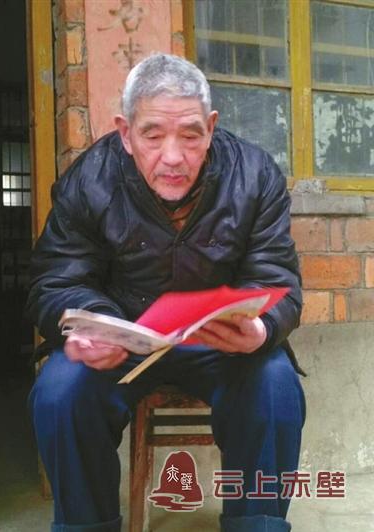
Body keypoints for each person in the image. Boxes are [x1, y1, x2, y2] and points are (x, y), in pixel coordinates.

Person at [27, 53, 305, 532]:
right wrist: (93, 323)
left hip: (218, 344)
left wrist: (261, 328)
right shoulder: (89, 180)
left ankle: (257, 524)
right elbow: (56, 279)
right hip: (124, 344)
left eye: (191, 135)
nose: (173, 157)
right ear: (125, 132)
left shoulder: (254, 174)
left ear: (211, 127)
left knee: (276, 386)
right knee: (59, 393)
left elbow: (275, 274)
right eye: (153, 135)